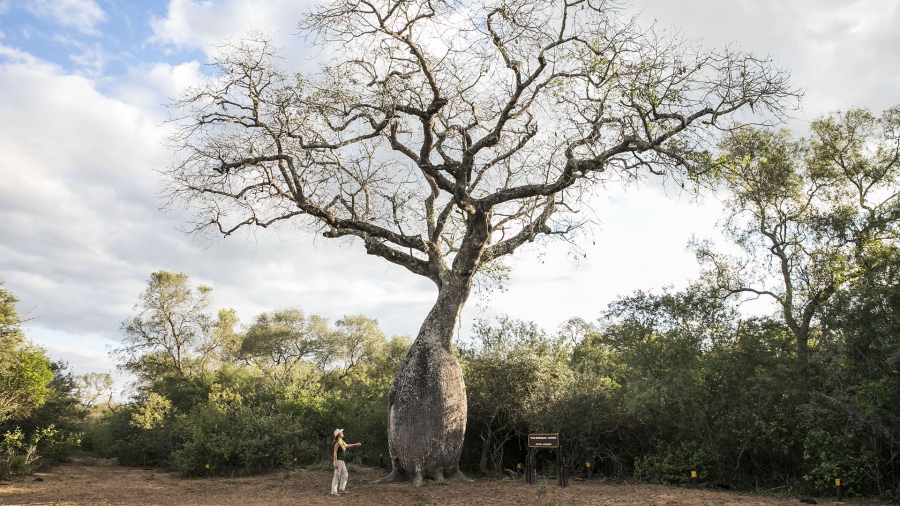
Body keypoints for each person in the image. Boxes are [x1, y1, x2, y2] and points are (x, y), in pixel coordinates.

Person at [331, 428, 361, 496]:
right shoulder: (337, 443)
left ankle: (342, 488)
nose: (342, 433)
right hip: (338, 460)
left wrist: (355, 444)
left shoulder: (341, 441)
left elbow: (346, 445)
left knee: (345, 474)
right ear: (339, 434)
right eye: (341, 432)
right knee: (337, 475)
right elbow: (335, 453)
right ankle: (333, 491)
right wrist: (335, 462)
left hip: (342, 461)